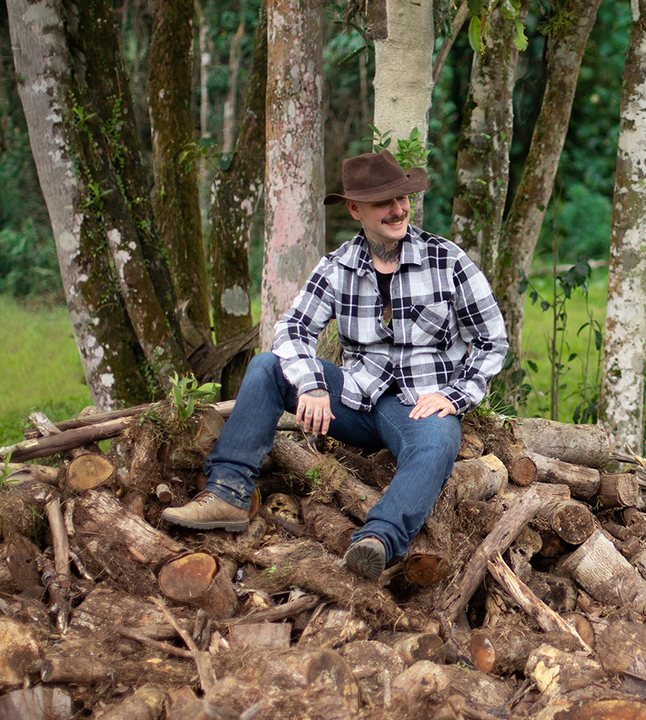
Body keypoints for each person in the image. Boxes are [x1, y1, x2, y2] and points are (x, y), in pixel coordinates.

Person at [162, 148, 509, 581]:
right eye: (383, 202)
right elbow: (292, 329)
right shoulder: (337, 267)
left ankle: (377, 539)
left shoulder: (447, 261)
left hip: (421, 406)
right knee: (268, 366)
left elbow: (492, 340)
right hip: (356, 400)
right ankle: (228, 493)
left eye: (402, 198)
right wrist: (311, 384)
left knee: (439, 440)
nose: (398, 209)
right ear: (355, 209)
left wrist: (455, 396)